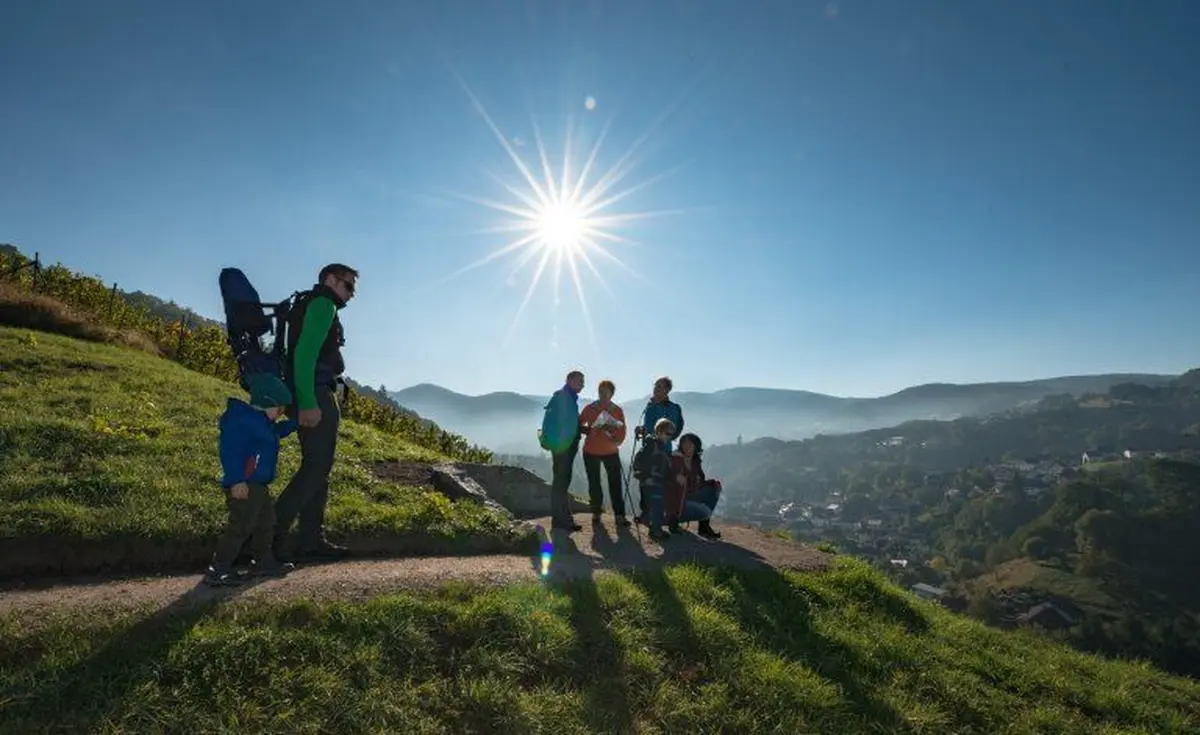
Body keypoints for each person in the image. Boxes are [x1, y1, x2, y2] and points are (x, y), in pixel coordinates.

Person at [273, 263, 357, 562]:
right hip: (316, 394)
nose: (351, 293)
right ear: (329, 280)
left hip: (311, 392)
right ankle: (267, 539)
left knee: (318, 470)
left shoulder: (311, 303)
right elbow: (305, 353)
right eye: (348, 285)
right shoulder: (323, 305)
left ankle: (311, 540)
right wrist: (308, 401)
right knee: (315, 468)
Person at [206, 374, 299, 586]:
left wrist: (295, 424)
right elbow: (230, 451)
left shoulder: (264, 423)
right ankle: (218, 567)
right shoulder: (242, 422)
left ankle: (263, 561)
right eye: (280, 409)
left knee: (266, 523)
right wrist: (237, 480)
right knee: (240, 526)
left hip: (260, 486)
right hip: (245, 485)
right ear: (268, 402)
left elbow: (278, 431)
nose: (281, 414)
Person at [579, 379, 630, 526]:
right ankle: (596, 513)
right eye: (600, 391)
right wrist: (591, 430)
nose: (602, 394)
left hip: (610, 450)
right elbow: (579, 424)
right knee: (594, 484)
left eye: (605, 392)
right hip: (591, 450)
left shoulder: (617, 410)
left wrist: (615, 437)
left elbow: (622, 430)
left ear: (611, 394)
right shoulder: (589, 408)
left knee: (615, 484)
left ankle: (619, 516)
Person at [541, 369, 586, 532]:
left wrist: (580, 430)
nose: (583, 384)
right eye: (580, 380)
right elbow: (565, 425)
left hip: (560, 445)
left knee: (561, 481)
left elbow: (568, 423)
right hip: (564, 446)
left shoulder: (565, 397)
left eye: (583, 381)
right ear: (570, 380)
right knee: (562, 482)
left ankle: (561, 518)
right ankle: (562, 520)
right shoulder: (565, 398)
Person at [663, 432, 723, 539]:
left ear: (696, 447)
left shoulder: (695, 461)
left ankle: (704, 528)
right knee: (705, 512)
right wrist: (675, 476)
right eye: (684, 444)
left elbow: (699, 482)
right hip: (677, 502)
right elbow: (664, 476)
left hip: (689, 496)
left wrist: (713, 484)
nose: (686, 447)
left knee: (714, 489)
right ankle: (673, 520)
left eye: (690, 444)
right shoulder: (675, 458)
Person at [632, 417, 675, 541]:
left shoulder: (658, 446)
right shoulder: (652, 446)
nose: (670, 437)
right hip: (651, 481)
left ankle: (648, 521)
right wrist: (645, 477)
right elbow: (640, 463)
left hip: (656, 481)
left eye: (671, 435)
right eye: (668, 434)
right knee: (657, 505)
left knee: (652, 504)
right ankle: (656, 530)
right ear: (659, 432)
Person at [637, 376, 685, 453]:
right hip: (648, 449)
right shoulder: (650, 406)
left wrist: (666, 437)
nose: (656, 388)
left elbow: (671, 428)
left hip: (663, 451)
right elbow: (650, 425)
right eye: (655, 385)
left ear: (666, 390)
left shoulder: (672, 408)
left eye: (659, 386)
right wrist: (642, 429)